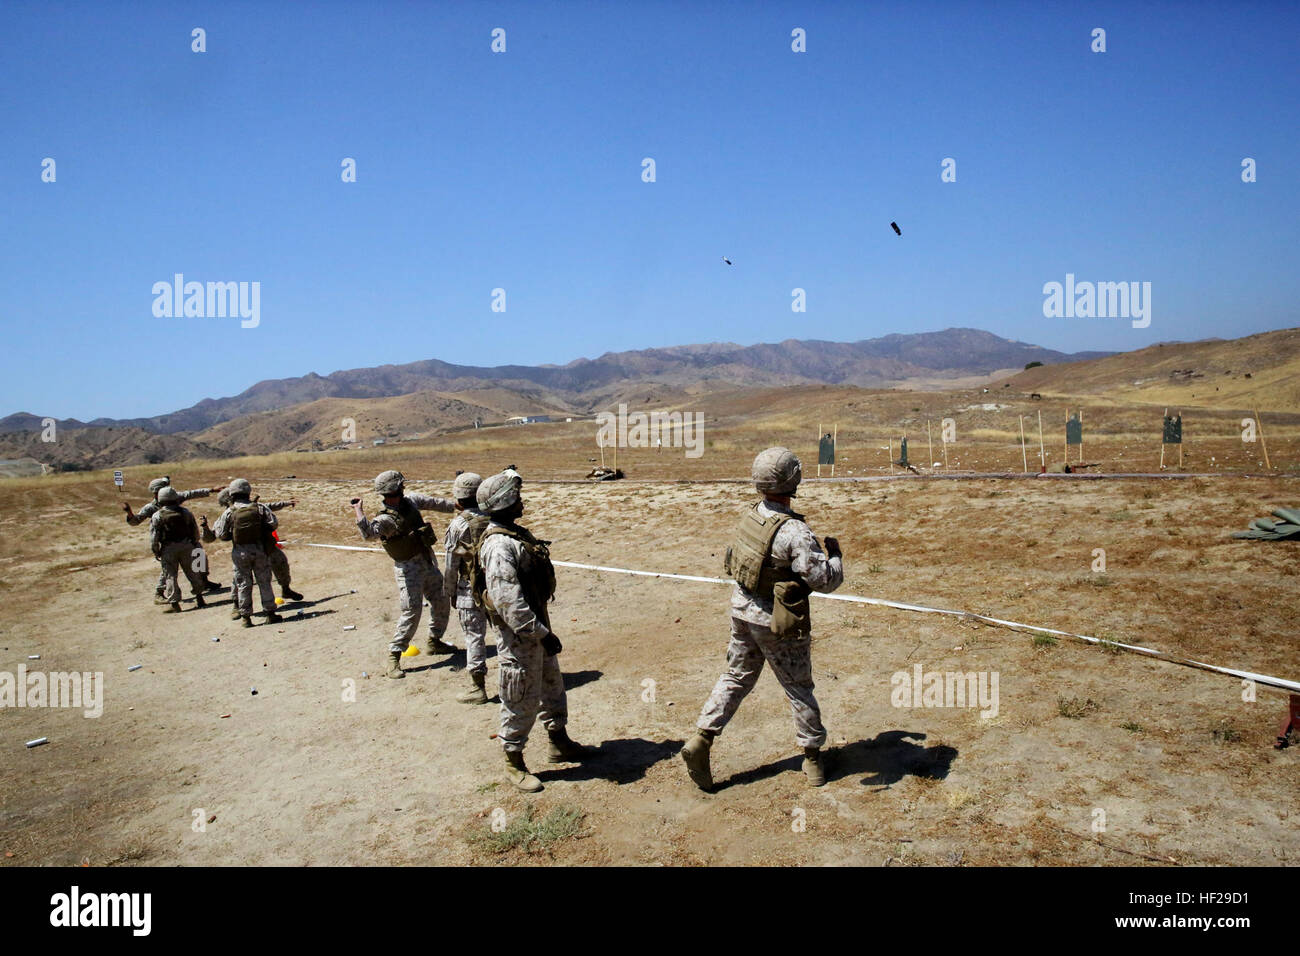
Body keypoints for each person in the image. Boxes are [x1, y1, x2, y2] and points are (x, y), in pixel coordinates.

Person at [681, 447, 844, 791]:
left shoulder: (752, 515)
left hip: (741, 611)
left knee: (735, 678)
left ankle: (702, 738)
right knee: (798, 687)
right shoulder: (794, 531)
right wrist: (836, 556)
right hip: (777, 622)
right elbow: (824, 580)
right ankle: (813, 757)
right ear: (792, 481)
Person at [473, 469, 595, 792]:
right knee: (520, 698)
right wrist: (542, 634)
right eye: (516, 497)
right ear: (505, 502)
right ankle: (513, 761)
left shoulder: (514, 535)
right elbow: (508, 603)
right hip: (520, 639)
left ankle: (559, 741)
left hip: (537, 630)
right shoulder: (499, 547)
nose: (521, 501)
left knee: (552, 686)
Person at [352, 470, 456, 678]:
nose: (404, 487)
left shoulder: (412, 502)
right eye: (401, 485)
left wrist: (459, 505)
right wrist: (358, 510)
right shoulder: (385, 520)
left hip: (426, 562)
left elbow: (435, 503)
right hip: (408, 570)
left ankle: (435, 642)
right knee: (412, 612)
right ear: (396, 488)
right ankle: (394, 655)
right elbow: (367, 535)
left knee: (442, 600)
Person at [202, 490, 302, 617]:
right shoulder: (229, 513)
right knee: (241, 579)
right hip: (250, 549)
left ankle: (285, 589)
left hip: (264, 545)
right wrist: (205, 528)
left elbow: (269, 506)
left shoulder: (254, 507)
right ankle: (237, 605)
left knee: (280, 562)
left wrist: (286, 503)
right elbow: (213, 536)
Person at [124, 476, 223, 598]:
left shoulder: (174, 497)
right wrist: (129, 513)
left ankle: (204, 580)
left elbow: (191, 493)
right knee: (169, 569)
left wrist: (211, 490)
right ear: (157, 492)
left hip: (185, 538)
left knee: (199, 553)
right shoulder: (151, 508)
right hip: (169, 542)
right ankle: (160, 591)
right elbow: (136, 521)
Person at [443, 472, 492, 704]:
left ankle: (477, 688)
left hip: (468, 588)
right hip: (498, 586)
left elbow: (451, 565)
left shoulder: (458, 525)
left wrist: (450, 592)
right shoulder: (495, 516)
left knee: (474, 637)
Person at [213, 478, 283, 628]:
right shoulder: (259, 508)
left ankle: (246, 617)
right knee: (264, 581)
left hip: (240, 551)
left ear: (232, 494)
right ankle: (270, 613)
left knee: (243, 583)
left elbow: (220, 534)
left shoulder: (229, 512)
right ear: (248, 491)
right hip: (259, 550)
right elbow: (273, 523)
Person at [149, 487, 207, 613]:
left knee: (170, 575)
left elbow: (154, 537)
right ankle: (200, 598)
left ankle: (175, 604)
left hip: (168, 548)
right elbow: (195, 532)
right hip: (187, 546)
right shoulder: (186, 512)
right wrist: (193, 543)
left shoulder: (157, 516)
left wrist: (156, 551)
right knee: (193, 572)